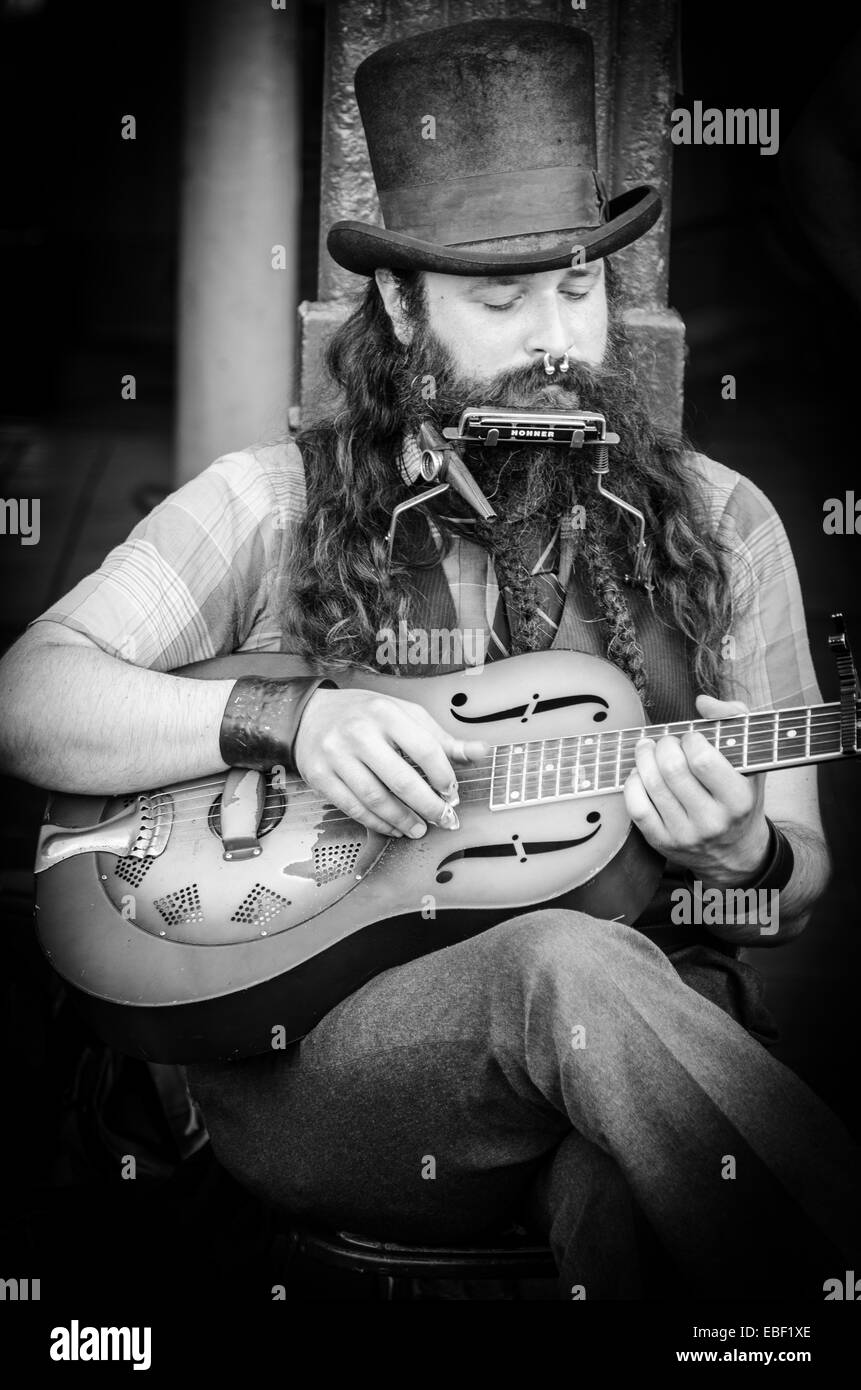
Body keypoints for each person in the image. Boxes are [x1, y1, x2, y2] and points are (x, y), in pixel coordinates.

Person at [0, 18, 857, 1299]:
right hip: (330, 1074)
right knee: (564, 968)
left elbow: (795, 881)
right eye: (501, 301)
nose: (552, 334)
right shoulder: (268, 504)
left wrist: (746, 855)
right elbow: (27, 697)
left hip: (621, 1067)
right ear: (400, 306)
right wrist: (289, 721)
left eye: (577, 287)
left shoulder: (726, 527)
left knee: (646, 1213)